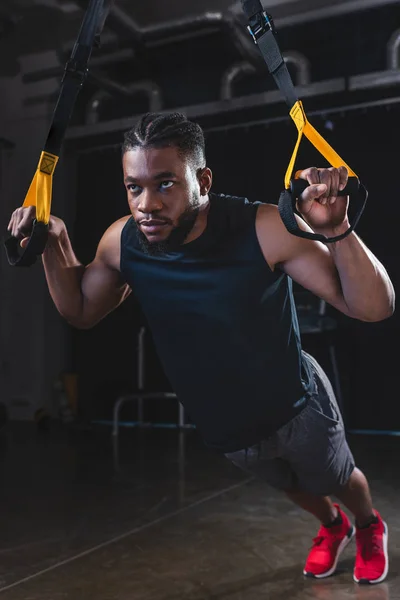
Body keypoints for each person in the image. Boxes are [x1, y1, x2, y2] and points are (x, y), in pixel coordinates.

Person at [8, 112, 394, 584]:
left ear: (203, 179)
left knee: (337, 478)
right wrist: (55, 242)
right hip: (223, 420)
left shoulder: (265, 227)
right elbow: (83, 310)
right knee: (287, 484)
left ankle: (367, 524)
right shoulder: (124, 241)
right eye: (134, 187)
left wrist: (337, 231)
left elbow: (373, 308)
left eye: (165, 183)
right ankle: (331, 526)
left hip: (296, 405)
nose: (147, 204)